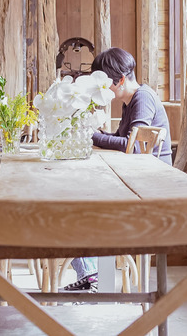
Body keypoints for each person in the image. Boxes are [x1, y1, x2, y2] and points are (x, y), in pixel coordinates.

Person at [61, 48, 173, 293]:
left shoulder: (143, 98)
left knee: (77, 202)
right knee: (75, 197)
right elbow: (125, 139)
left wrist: (93, 136)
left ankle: (95, 277)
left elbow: (134, 146)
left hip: (150, 186)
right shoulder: (130, 101)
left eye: (104, 83)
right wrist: (99, 135)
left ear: (120, 80)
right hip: (136, 179)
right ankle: (94, 275)